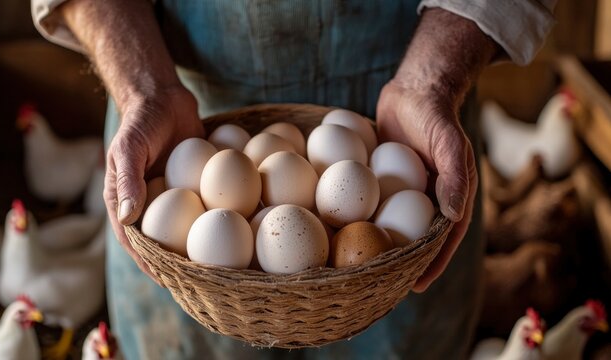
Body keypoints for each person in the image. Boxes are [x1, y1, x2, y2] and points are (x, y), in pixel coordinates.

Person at [31, 0, 556, 358]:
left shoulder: (378, 171)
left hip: (407, 128)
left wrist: (432, 82)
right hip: (178, 124)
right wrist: (144, 89)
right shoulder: (200, 174)